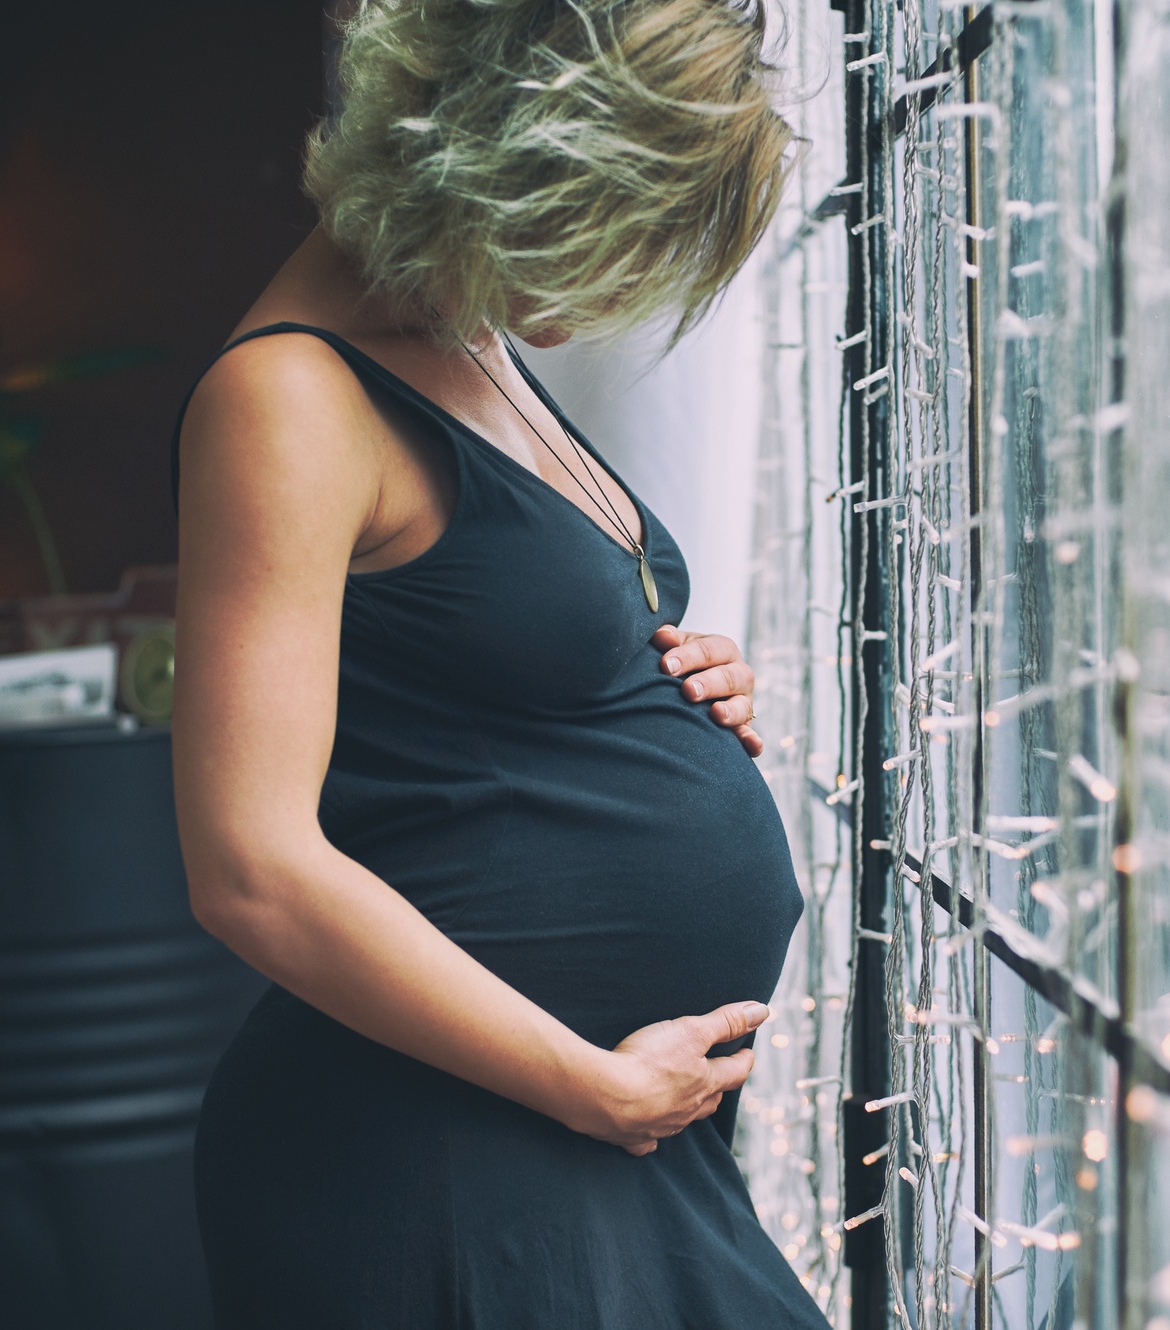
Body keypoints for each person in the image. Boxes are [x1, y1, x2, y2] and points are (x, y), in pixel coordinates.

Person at [168, 0, 822, 1324]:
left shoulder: (470, 342)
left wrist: (666, 677)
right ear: (495, 153)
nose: (620, 282)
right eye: (610, 226)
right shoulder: (287, 400)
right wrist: (591, 1082)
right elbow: (251, 870)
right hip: (450, 1152)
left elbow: (476, 673)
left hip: (592, 1136)